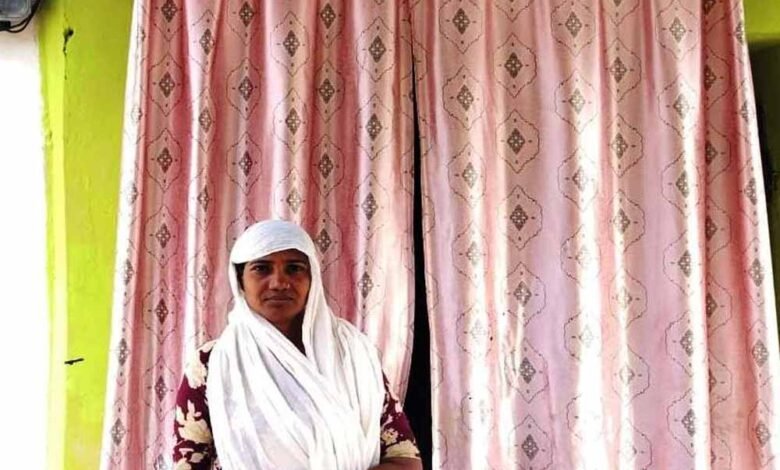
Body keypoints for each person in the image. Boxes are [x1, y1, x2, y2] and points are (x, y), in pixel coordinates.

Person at [173, 219, 422, 470]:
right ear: (240, 280)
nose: (279, 282)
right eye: (261, 268)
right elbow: (188, 464)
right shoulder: (211, 364)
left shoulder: (353, 355)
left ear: (313, 278)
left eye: (294, 268)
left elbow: (405, 460)